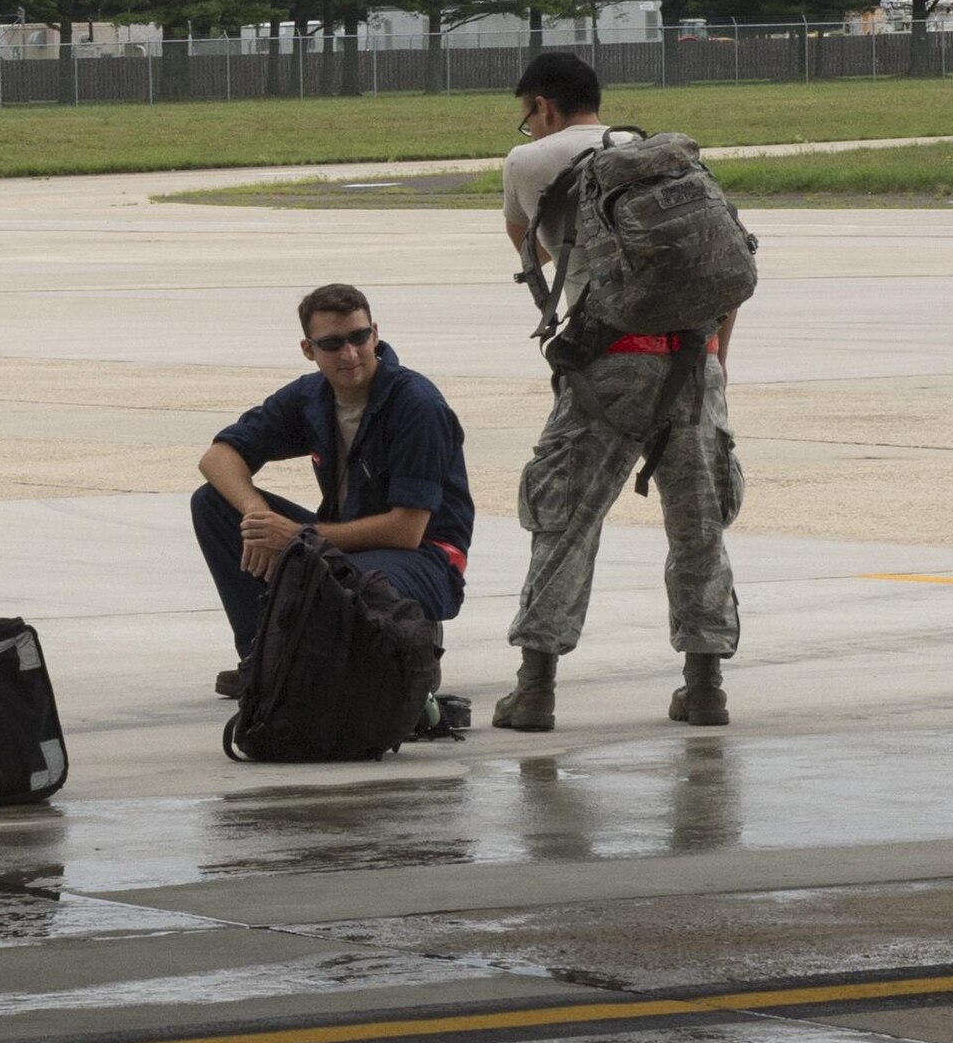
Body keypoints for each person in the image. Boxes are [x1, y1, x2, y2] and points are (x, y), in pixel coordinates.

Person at [497, 52, 742, 731]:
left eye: (526, 115)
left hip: (610, 360)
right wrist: (717, 361)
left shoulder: (530, 163)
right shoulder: (661, 156)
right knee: (698, 527)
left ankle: (535, 688)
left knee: (563, 518)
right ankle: (704, 685)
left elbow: (529, 249)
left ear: (542, 106)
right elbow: (724, 266)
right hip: (694, 358)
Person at [192, 284, 473, 698]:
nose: (350, 354)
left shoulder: (416, 404)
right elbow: (217, 457)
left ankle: (414, 647)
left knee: (355, 579)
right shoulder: (311, 397)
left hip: (425, 557)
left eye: (359, 337)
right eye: (332, 343)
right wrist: (258, 518)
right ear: (309, 349)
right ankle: (265, 658)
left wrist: (297, 537)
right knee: (213, 504)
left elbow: (406, 529)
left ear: (375, 333)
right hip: (345, 545)